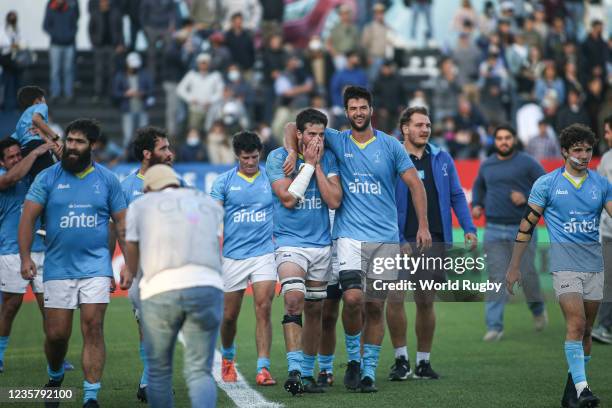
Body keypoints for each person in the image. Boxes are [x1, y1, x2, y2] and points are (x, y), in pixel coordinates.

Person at [283, 86, 431, 393]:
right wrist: (289, 150)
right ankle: (353, 358)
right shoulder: (336, 138)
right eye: (353, 108)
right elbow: (291, 127)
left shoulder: (390, 146)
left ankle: (367, 373)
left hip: (386, 239)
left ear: (371, 110)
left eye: (363, 108)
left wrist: (423, 227)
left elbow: (416, 185)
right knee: (352, 299)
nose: (358, 113)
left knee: (375, 307)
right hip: (349, 237)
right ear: (346, 112)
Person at [18, 118, 127, 408]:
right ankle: (55, 377)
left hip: (95, 268)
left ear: (93, 146)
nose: (72, 146)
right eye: (69, 140)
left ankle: (91, 396)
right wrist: (26, 257)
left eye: (79, 142)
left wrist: (127, 262)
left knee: (93, 327)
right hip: (57, 267)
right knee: (56, 336)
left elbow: (122, 224)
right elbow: (27, 218)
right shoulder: (48, 178)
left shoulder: (107, 180)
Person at [506, 124, 612, 408]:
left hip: (594, 266)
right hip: (564, 266)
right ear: (564, 151)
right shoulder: (547, 184)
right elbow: (526, 226)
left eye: (588, 149)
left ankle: (572, 390)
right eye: (577, 150)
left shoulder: (601, 185)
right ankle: (583, 390)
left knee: (586, 331)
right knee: (576, 324)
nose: (583, 155)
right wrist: (514, 266)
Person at [121, 164, 224, 408]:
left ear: (149, 188)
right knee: (200, 371)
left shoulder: (141, 205)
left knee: (159, 373)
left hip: (161, 288)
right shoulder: (205, 201)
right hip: (206, 286)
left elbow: (133, 258)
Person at [386, 106, 477, 381]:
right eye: (418, 125)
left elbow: (457, 196)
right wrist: (398, 237)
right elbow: (384, 201)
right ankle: (401, 360)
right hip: (398, 239)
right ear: (404, 128)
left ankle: (423, 362)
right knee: (395, 297)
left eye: (427, 124)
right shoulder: (392, 157)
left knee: (426, 301)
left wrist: (469, 228)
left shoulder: (442, 158)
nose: (425, 129)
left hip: (433, 239)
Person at [266, 108, 342, 395]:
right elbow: (287, 198)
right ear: (299, 134)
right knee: (294, 299)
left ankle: (307, 375)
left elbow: (334, 200)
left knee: (315, 310)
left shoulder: (329, 157)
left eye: (321, 134)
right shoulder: (278, 158)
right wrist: (307, 164)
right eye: (311, 134)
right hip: (290, 243)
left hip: (321, 245)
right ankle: (295, 370)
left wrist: (318, 166)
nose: (317, 139)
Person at [211, 131, 276, 385]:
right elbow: (214, 218)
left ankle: (263, 368)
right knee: (229, 316)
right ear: (237, 155)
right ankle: (228, 359)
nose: (251, 162)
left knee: (264, 307)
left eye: (255, 157)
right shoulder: (223, 182)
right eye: (246, 158)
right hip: (233, 257)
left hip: (263, 254)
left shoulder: (270, 178)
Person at [472, 125, 548, 341]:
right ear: (494, 141)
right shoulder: (487, 165)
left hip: (522, 228)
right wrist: (477, 204)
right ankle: (494, 327)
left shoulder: (527, 162)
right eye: (500, 138)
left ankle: (537, 309)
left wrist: (525, 196)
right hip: (494, 229)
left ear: (514, 139)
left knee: (527, 274)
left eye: (507, 138)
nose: (504, 141)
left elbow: (546, 185)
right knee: (496, 277)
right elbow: (479, 187)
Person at [118, 126, 175, 403]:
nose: (170, 153)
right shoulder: (127, 187)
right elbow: (117, 229)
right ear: (146, 153)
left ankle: (150, 381)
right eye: (163, 148)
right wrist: (121, 265)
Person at [0, 138, 53, 373]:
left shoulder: (36, 177)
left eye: (18, 155)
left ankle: (56, 355)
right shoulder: (6, 178)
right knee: (11, 306)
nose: (16, 159)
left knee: (50, 307)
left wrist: (50, 147)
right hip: (11, 250)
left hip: (42, 249)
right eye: (10, 157)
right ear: (2, 162)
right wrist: (35, 153)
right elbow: (10, 178)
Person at [592, 115, 612, 344]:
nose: (605, 136)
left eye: (607, 131)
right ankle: (605, 326)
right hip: (608, 232)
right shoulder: (606, 158)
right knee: (608, 280)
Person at [112, 52, 154, 148]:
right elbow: (115, 93)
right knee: (128, 136)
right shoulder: (120, 76)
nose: (134, 68)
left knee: (144, 135)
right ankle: (127, 156)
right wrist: (125, 94)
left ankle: (143, 155)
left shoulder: (145, 75)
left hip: (142, 108)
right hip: (127, 109)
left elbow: (151, 90)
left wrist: (142, 93)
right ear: (127, 64)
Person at [43, 0, 80, 102]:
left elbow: (75, 25)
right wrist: (56, 35)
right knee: (55, 70)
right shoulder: (50, 8)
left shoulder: (70, 9)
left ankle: (68, 93)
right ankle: (55, 93)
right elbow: (45, 25)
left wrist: (69, 35)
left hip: (69, 44)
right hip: (55, 45)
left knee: (68, 70)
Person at [88, 0, 125, 102]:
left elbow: (120, 30)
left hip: (112, 46)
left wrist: (121, 44)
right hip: (99, 46)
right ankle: (98, 92)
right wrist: (94, 42)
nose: (104, 2)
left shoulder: (116, 13)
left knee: (112, 70)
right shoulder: (95, 13)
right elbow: (91, 29)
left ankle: (111, 92)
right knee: (99, 70)